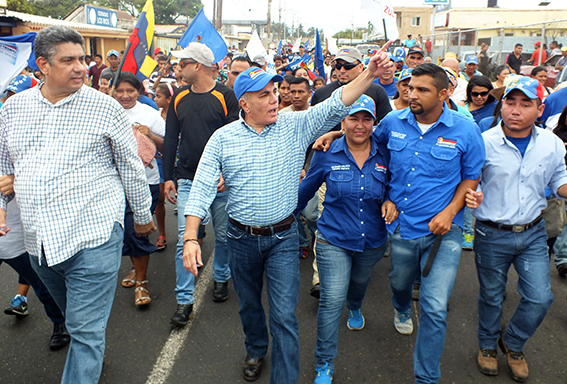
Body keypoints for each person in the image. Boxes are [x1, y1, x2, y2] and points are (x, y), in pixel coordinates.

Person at [181, 44, 393, 384]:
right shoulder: (222, 139)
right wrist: (191, 237)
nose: (275, 99)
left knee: (283, 316)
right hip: (240, 239)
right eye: (264, 95)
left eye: (274, 91)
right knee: (249, 306)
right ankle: (255, 347)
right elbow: (203, 186)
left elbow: (338, 102)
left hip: (283, 238)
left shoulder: (296, 125)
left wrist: (368, 73)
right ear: (244, 104)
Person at [0, 25, 155, 384]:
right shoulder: (13, 109)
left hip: (94, 235)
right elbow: (5, 168)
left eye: (83, 59)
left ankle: (87, 358)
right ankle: (92, 354)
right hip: (39, 242)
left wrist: (143, 216)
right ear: (43, 65)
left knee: (84, 331)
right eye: (68, 60)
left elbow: (131, 167)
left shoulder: (105, 108)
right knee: (78, 321)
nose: (81, 67)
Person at [315, 63, 485, 384]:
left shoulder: (465, 130)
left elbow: (471, 177)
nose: (411, 94)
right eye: (410, 88)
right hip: (401, 230)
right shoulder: (393, 121)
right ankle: (401, 306)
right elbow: (366, 141)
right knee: (399, 283)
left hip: (443, 233)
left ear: (444, 93)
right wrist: (336, 133)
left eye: (422, 90)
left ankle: (426, 378)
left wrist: (450, 212)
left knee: (434, 307)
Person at [465, 76, 567, 383]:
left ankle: (514, 342)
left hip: (534, 232)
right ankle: (486, 346)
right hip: (491, 233)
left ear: (540, 109)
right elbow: (470, 181)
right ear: (502, 104)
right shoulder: (483, 142)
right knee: (492, 295)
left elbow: (559, 181)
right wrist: (473, 193)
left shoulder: (551, 143)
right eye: (510, 102)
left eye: (526, 104)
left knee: (540, 297)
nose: (516, 110)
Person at [298, 96, 397, 384]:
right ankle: (324, 363)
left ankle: (356, 305)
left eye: (367, 119)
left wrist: (390, 200)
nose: (360, 125)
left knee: (359, 285)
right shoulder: (327, 153)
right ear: (343, 122)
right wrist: (283, 217)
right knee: (331, 300)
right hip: (333, 239)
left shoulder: (386, 153)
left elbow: (397, 184)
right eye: (353, 118)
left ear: (374, 123)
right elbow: (306, 190)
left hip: (373, 241)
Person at [163, 43, 239, 325]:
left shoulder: (225, 95)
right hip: (187, 179)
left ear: (197, 66)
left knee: (224, 234)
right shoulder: (179, 96)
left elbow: (235, 137)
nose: (178, 68)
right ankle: (184, 300)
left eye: (182, 63)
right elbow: (172, 138)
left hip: (220, 182)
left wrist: (227, 173)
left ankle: (221, 276)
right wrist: (168, 176)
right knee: (187, 238)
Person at [0, 175, 70, 350]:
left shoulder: (10, 149)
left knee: (42, 284)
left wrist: (19, 180)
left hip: (15, 234)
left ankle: (60, 322)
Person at [113, 72, 164, 305]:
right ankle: (136, 266)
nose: (125, 96)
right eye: (120, 91)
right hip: (114, 184)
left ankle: (141, 284)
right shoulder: (105, 112)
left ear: (139, 92)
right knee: (124, 232)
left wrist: (149, 134)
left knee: (137, 231)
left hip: (146, 182)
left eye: (130, 91)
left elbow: (168, 143)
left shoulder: (150, 114)